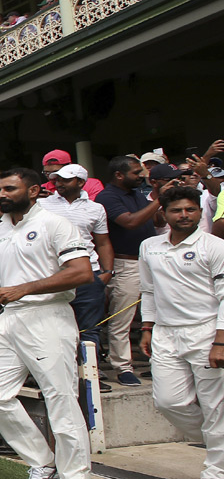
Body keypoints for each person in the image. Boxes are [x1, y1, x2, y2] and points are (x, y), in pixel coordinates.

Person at [0, 168, 98, 479]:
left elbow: (82, 272)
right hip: (8, 320)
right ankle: (42, 464)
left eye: (10, 188)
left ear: (34, 190)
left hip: (48, 317)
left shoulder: (56, 223)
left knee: (61, 402)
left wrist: (24, 288)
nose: (1, 194)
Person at [139, 186, 224, 479]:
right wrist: (147, 328)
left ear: (200, 212)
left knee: (216, 408)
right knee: (168, 402)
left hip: (207, 332)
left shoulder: (215, 246)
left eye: (191, 209)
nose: (185, 215)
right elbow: (148, 291)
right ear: (164, 213)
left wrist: (220, 340)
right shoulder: (150, 246)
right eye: (177, 210)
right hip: (166, 333)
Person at [39, 163, 115, 390]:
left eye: (65, 179)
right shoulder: (42, 205)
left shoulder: (96, 208)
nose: (58, 183)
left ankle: (91, 376)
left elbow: (102, 241)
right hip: (54, 274)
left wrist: (107, 272)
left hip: (88, 273)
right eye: (57, 179)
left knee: (89, 328)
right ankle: (62, 376)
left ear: (81, 183)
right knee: (54, 327)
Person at [98, 155, 167, 387]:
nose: (142, 176)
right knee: (122, 318)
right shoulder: (107, 196)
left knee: (157, 313)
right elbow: (129, 222)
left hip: (150, 261)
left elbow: (155, 222)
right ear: (119, 175)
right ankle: (122, 367)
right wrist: (159, 201)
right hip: (125, 264)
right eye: (136, 172)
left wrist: (157, 199)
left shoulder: (138, 194)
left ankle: (161, 363)